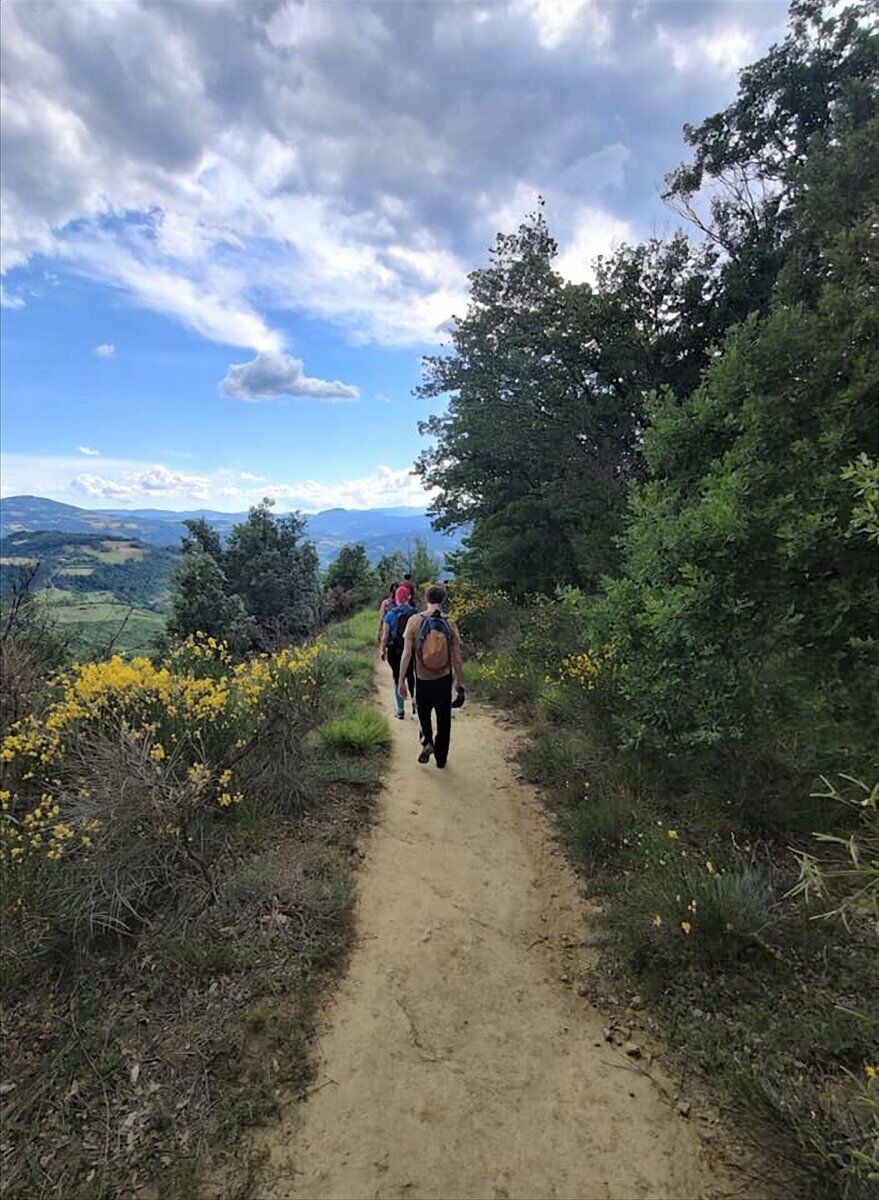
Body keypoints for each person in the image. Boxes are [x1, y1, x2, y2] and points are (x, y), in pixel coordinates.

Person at [398, 584, 464, 768]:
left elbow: (406, 654)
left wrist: (401, 680)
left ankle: (427, 740)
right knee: (444, 719)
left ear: (426, 599)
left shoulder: (414, 621)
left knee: (423, 713)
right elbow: (457, 658)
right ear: (443, 600)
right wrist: (460, 682)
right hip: (443, 679)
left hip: (422, 678)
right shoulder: (449, 623)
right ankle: (441, 759)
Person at [380, 585, 418, 720]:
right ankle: (415, 702)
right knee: (412, 675)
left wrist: (382, 649)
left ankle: (400, 710)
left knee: (397, 677)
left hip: (394, 651)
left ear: (396, 598)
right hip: (411, 650)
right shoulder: (416, 614)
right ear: (408, 597)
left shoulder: (390, 614)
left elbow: (385, 635)